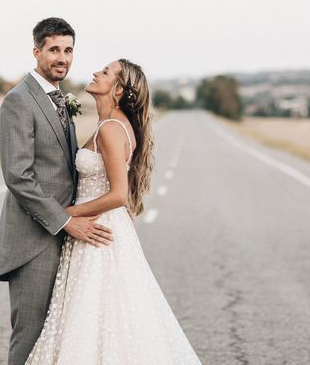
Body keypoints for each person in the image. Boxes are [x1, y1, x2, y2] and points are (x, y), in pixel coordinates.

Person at [25, 59, 202, 364]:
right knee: (106, 317)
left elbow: (119, 194)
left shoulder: (110, 128)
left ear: (118, 89)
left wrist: (68, 212)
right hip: (101, 227)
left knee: (92, 315)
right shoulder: (113, 124)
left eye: (105, 72)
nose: (95, 72)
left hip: (97, 231)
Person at [0, 17, 114, 365]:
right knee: (30, 336)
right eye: (54, 50)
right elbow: (18, 176)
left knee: (56, 335)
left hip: (64, 234)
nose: (62, 57)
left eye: (68, 50)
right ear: (37, 51)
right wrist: (65, 222)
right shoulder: (19, 101)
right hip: (34, 239)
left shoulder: (59, 98)